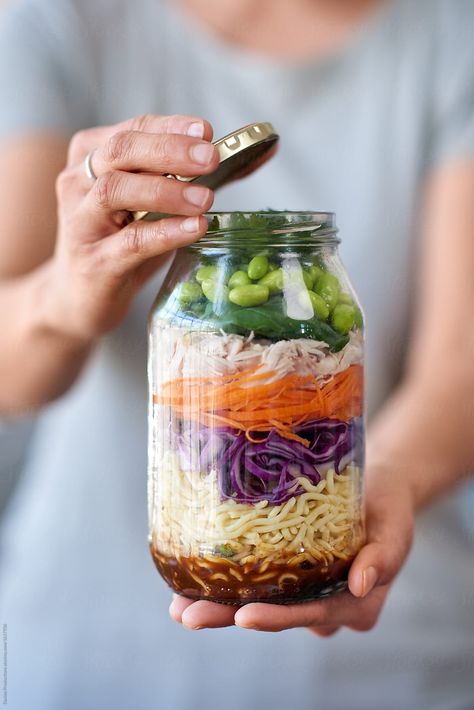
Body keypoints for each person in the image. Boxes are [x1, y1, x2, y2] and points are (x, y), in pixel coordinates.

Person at [0, 0, 473, 708]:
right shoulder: (61, 18)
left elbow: (459, 364)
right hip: (88, 649)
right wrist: (66, 295)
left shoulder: (453, 33)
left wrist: (386, 484)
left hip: (392, 664)